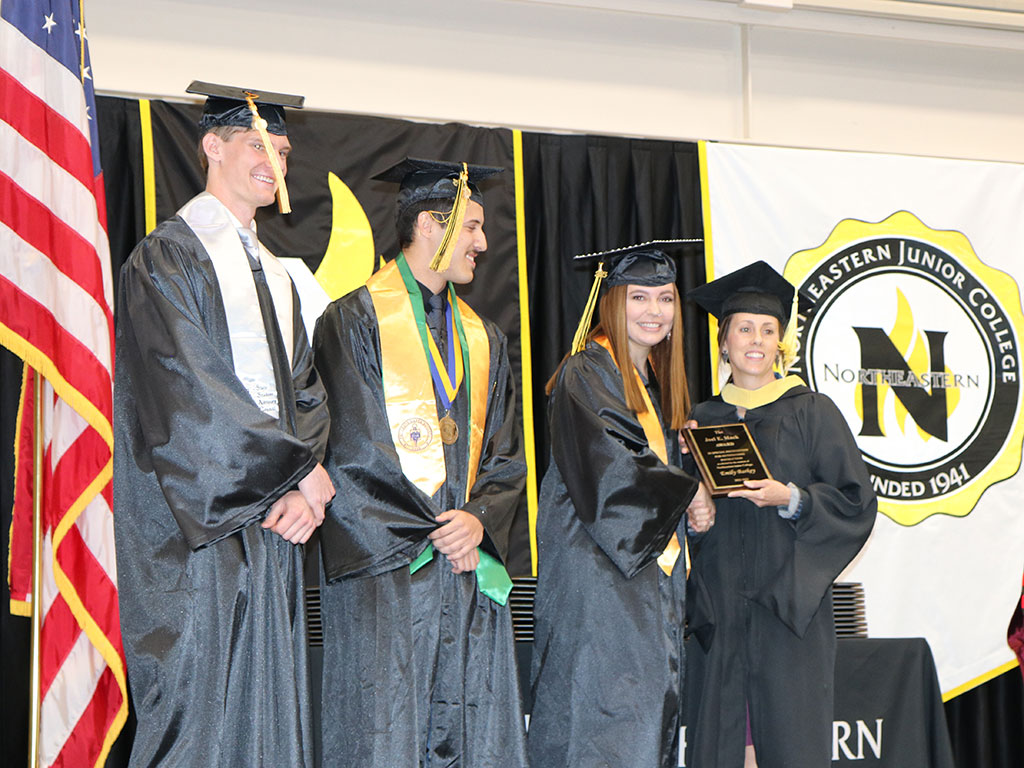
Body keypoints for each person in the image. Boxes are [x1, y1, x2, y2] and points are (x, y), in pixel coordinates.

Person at [113, 82, 334, 767]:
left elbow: (306, 389)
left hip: (272, 528)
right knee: (199, 709)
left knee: (269, 713)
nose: (276, 161)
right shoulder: (167, 259)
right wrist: (290, 476)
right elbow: (186, 391)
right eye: (257, 144)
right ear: (211, 147)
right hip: (197, 533)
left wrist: (310, 479)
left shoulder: (279, 275)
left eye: (284, 149)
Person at [313, 158, 529, 767]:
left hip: (464, 572)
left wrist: (479, 520)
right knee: (383, 733)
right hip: (390, 575)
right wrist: (435, 530)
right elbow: (351, 450)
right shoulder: (353, 320)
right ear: (432, 225)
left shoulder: (484, 337)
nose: (483, 244)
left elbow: (506, 454)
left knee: (470, 731)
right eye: (472, 227)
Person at [528, 243, 715, 768]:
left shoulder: (650, 387)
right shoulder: (586, 372)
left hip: (641, 589)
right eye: (639, 297)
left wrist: (692, 483)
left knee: (639, 728)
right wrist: (686, 490)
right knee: (600, 727)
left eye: (665, 298)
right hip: (600, 586)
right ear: (611, 301)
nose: (654, 311)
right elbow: (615, 468)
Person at [684, 261, 877, 768]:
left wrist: (791, 498)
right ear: (724, 341)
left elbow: (856, 503)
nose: (756, 340)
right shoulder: (700, 419)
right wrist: (690, 502)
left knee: (790, 741)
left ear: (780, 343)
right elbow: (681, 521)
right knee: (724, 741)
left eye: (768, 330)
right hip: (721, 609)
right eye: (744, 328)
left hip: (788, 609)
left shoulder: (812, 412)